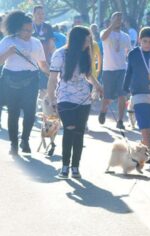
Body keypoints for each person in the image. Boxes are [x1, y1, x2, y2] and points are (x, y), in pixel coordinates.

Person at [47, 26, 103, 178]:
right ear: (77, 40)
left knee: (79, 132)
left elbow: (88, 74)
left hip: (84, 99)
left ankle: (75, 167)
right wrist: (52, 99)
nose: (88, 43)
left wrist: (97, 85)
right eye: (86, 41)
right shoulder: (60, 54)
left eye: (89, 40)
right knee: (69, 129)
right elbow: (52, 79)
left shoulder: (86, 53)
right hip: (65, 98)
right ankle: (65, 166)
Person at [0, 10, 49, 155]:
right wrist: (8, 53)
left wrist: (54, 76)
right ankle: (14, 144)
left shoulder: (36, 42)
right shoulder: (8, 41)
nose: (28, 33)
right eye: (25, 30)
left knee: (30, 113)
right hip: (10, 80)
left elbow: (42, 64)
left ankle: (25, 140)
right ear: (17, 29)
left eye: (30, 29)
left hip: (31, 80)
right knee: (13, 113)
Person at [124, 27, 150, 163]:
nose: (147, 44)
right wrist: (124, 88)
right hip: (138, 93)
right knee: (144, 126)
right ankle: (149, 153)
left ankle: (143, 146)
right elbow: (128, 72)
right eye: (145, 41)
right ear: (140, 40)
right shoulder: (133, 54)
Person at [98, 12, 131, 129]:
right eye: (116, 18)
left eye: (120, 18)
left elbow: (129, 52)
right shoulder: (105, 32)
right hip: (108, 69)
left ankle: (120, 120)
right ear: (111, 20)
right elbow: (102, 38)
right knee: (108, 97)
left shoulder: (125, 36)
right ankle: (103, 111)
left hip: (121, 69)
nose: (118, 20)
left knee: (122, 95)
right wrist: (112, 25)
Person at [32, 5, 54, 99]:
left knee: (44, 86)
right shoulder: (28, 26)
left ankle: (43, 108)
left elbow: (51, 45)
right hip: (30, 61)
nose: (41, 16)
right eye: (38, 13)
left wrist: (54, 57)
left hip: (44, 60)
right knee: (32, 86)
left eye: (42, 14)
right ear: (33, 14)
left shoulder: (48, 27)